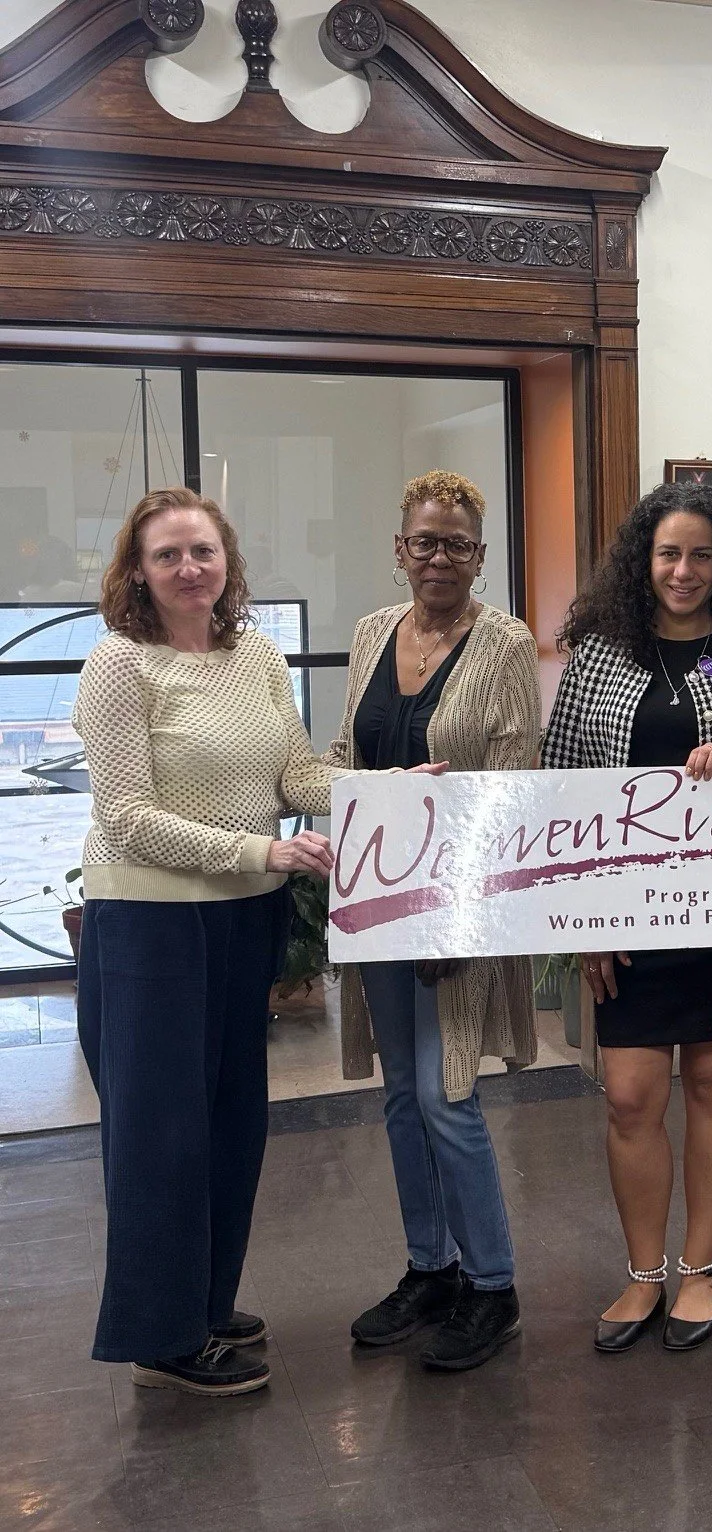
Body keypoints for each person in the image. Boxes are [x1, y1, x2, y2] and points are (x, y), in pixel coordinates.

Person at [73, 486, 353, 1396]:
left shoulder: (257, 656)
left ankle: (199, 1299)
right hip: (150, 921)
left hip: (245, 913)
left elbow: (295, 771)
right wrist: (263, 846)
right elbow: (125, 817)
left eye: (202, 550)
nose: (189, 568)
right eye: (167, 556)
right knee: (161, 1135)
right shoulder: (119, 664)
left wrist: (385, 787)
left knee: (231, 1124)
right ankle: (160, 1337)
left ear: (227, 558)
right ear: (139, 573)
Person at [541, 480, 712, 1353]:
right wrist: (582, 923)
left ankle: (699, 1270)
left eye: (699, 555)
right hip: (626, 920)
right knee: (628, 1096)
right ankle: (642, 1273)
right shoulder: (598, 656)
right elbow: (561, 790)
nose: (682, 571)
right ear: (641, 562)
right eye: (667, 554)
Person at [327, 470, 541, 1372]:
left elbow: (514, 790)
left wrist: (458, 918)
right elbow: (347, 751)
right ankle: (431, 1268)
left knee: (445, 1094)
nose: (439, 556)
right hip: (379, 908)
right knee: (396, 1095)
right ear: (400, 549)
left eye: (457, 542)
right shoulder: (372, 632)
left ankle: (492, 1287)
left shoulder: (505, 644)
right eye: (425, 540)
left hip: (456, 912)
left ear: (479, 557)